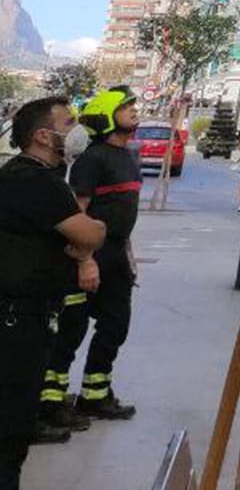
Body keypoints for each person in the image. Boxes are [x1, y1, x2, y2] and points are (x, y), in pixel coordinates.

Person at [1, 98, 105, 487]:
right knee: (10, 428)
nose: (77, 129)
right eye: (68, 122)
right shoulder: (34, 181)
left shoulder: (38, 176)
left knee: (14, 423)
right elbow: (89, 234)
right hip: (17, 319)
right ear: (44, 136)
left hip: (25, 314)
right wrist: (92, 232)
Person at [44, 88, 142, 427]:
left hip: (116, 257)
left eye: (133, 105)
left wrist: (128, 255)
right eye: (125, 106)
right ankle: (50, 402)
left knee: (115, 324)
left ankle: (95, 395)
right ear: (106, 116)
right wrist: (85, 261)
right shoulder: (93, 159)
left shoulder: (127, 157)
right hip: (87, 257)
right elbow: (77, 215)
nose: (133, 110)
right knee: (71, 330)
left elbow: (124, 214)